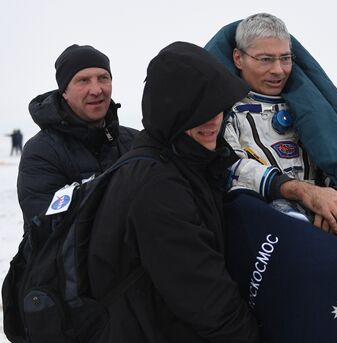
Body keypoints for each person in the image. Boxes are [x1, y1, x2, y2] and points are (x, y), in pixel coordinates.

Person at [87, 42, 260, 342]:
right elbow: (207, 301)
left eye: (217, 105)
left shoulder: (185, 160)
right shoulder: (158, 185)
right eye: (197, 111)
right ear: (172, 112)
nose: (213, 119)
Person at [214, 13, 337, 235]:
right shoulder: (223, 112)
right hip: (262, 226)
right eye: (266, 59)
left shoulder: (312, 108)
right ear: (238, 58)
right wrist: (302, 193)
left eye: (285, 58)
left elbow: (336, 155)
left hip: (324, 219)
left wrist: (335, 199)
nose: (278, 70)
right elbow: (231, 168)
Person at [17, 44, 137, 230]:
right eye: (83, 80)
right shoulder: (42, 152)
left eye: (103, 78)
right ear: (64, 91)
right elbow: (50, 232)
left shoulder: (134, 141)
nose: (96, 90)